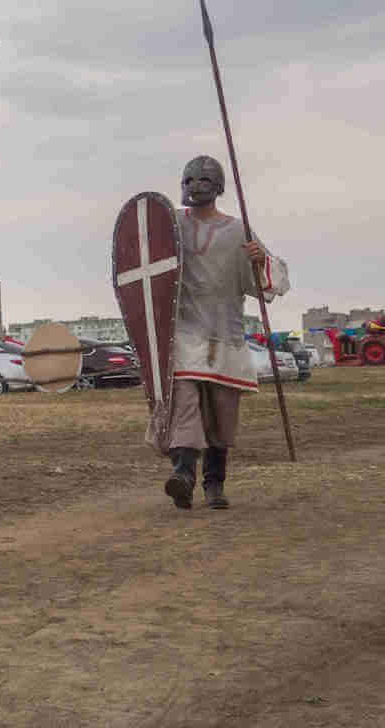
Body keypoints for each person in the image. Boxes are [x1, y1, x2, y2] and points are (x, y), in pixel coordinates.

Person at [151, 156, 289, 511]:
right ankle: (183, 476)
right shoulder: (168, 224)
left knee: (220, 415)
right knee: (183, 407)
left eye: (203, 179)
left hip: (224, 334)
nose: (195, 185)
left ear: (218, 187)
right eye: (189, 179)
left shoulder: (236, 231)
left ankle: (215, 485)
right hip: (181, 334)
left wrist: (260, 260)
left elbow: (270, 279)